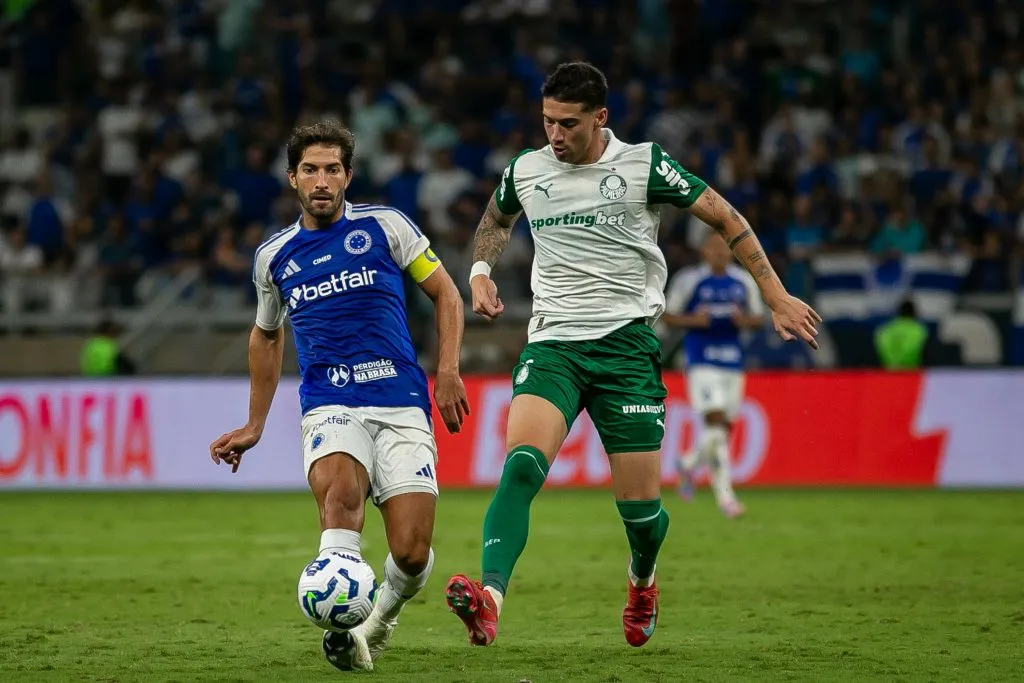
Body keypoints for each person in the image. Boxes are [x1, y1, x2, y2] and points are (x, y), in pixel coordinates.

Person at [443, 62, 821, 649]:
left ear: (601, 118)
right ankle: (490, 600)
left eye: (568, 124)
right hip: (554, 344)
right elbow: (496, 217)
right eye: (547, 122)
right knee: (519, 467)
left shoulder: (644, 165)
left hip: (627, 349)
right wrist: (481, 270)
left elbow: (724, 216)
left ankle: (642, 581)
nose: (555, 136)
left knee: (642, 519)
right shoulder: (527, 169)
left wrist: (773, 294)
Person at [208, 120, 469, 672]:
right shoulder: (274, 257)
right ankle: (340, 614)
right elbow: (267, 333)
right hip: (330, 404)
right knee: (341, 499)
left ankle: (378, 621)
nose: (321, 180)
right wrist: (254, 424)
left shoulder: (387, 228)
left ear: (348, 176)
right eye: (310, 170)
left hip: (401, 403)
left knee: (412, 552)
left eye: (332, 169)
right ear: (292, 179)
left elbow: (445, 293)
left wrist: (447, 370)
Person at [663, 233, 765, 517]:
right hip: (701, 361)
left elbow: (757, 318)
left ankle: (687, 462)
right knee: (717, 423)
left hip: (732, 363)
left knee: (720, 430)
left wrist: (741, 320)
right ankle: (726, 498)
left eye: (725, 248)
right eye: (715, 248)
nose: (721, 253)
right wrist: (694, 320)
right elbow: (667, 315)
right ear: (704, 252)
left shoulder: (742, 281)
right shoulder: (690, 279)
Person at [875, 299, 929, 369]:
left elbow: (881, 347)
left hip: (889, 371)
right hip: (911, 372)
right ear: (914, 312)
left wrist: (892, 363)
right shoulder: (918, 329)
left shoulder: (885, 329)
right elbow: (922, 351)